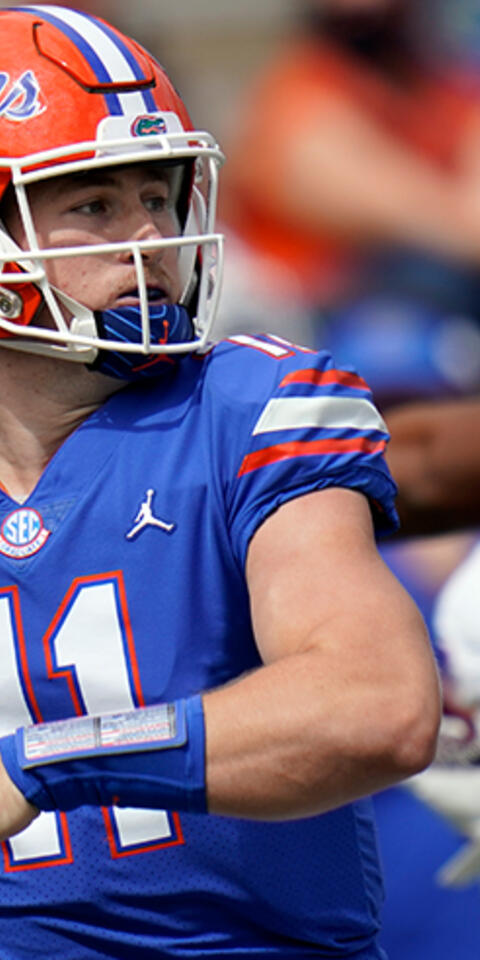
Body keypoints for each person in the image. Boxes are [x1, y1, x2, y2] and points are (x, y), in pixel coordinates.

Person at [0, 6, 440, 959]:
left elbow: (376, 703)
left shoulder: (249, 403)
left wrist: (44, 763)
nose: (151, 237)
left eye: (159, 197)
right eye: (92, 205)